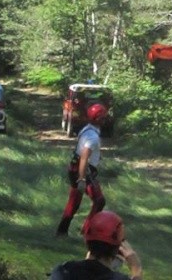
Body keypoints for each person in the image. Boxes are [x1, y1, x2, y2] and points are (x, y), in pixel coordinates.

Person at [56, 103, 109, 237]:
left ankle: (61, 231)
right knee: (99, 200)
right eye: (103, 118)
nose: (105, 120)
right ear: (98, 119)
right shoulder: (93, 137)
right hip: (84, 170)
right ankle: (87, 231)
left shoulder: (87, 130)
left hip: (75, 167)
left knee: (74, 202)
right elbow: (85, 157)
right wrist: (82, 178)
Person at [49, 210, 143, 280]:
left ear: (87, 242)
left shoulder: (63, 270)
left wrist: (88, 262)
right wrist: (136, 268)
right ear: (117, 249)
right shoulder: (118, 279)